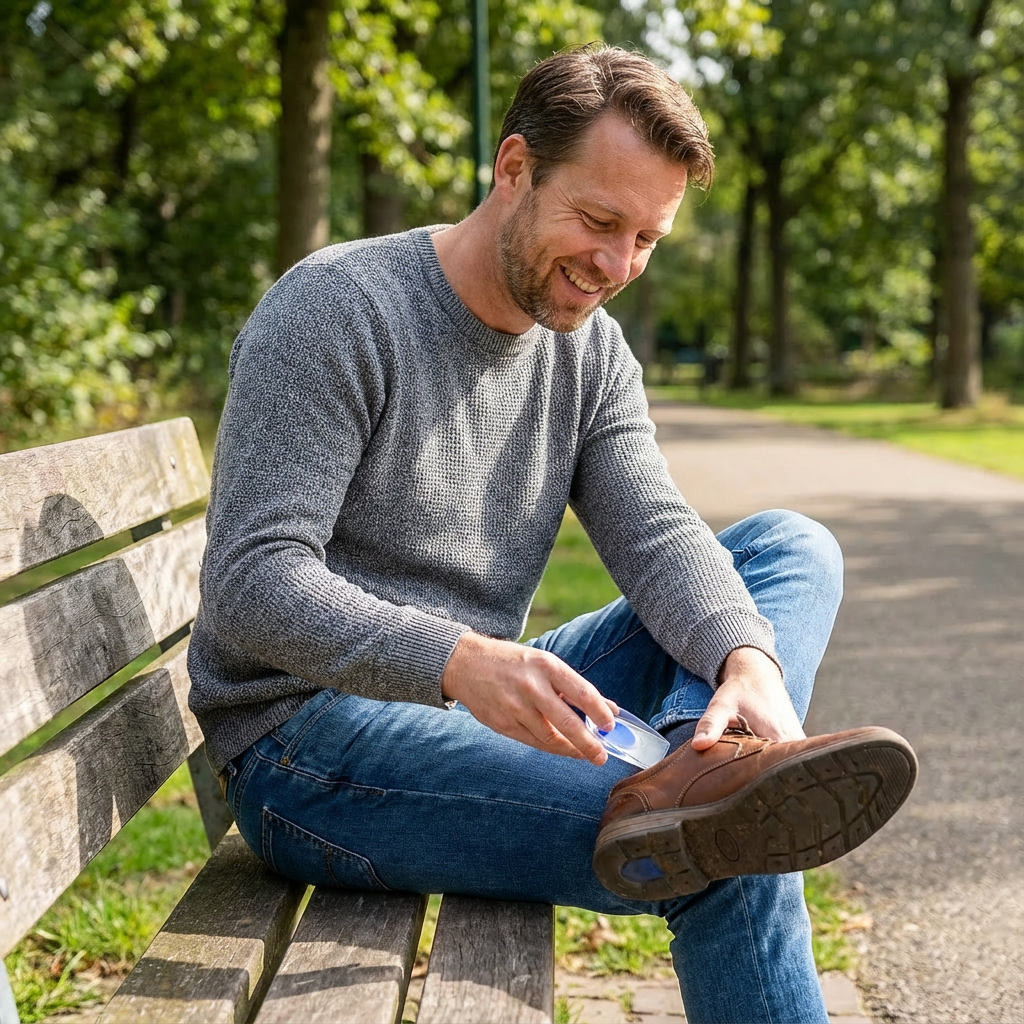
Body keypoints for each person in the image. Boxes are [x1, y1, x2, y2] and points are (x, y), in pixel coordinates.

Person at [187, 44, 916, 1024]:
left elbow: (654, 531)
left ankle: (713, 753)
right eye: (599, 221)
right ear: (514, 168)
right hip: (307, 750)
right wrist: (458, 661)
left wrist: (746, 660)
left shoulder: (588, 350)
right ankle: (713, 787)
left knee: (791, 546)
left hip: (464, 699)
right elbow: (253, 579)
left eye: (647, 240)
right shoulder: (337, 309)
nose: (616, 267)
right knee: (729, 842)